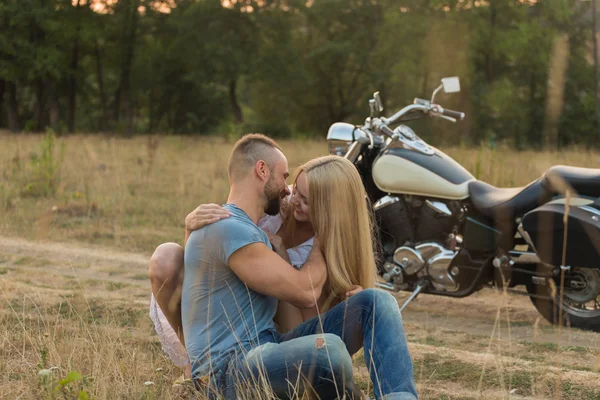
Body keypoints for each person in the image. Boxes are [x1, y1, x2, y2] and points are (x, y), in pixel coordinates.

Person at [150, 134, 417, 399]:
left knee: (377, 303)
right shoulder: (231, 226)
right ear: (262, 170)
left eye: (303, 195)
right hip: (229, 369)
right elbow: (304, 292)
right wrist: (320, 244)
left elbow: (301, 320)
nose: (287, 191)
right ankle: (193, 380)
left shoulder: (250, 225)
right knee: (328, 351)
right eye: (286, 178)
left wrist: (346, 301)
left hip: (271, 348)